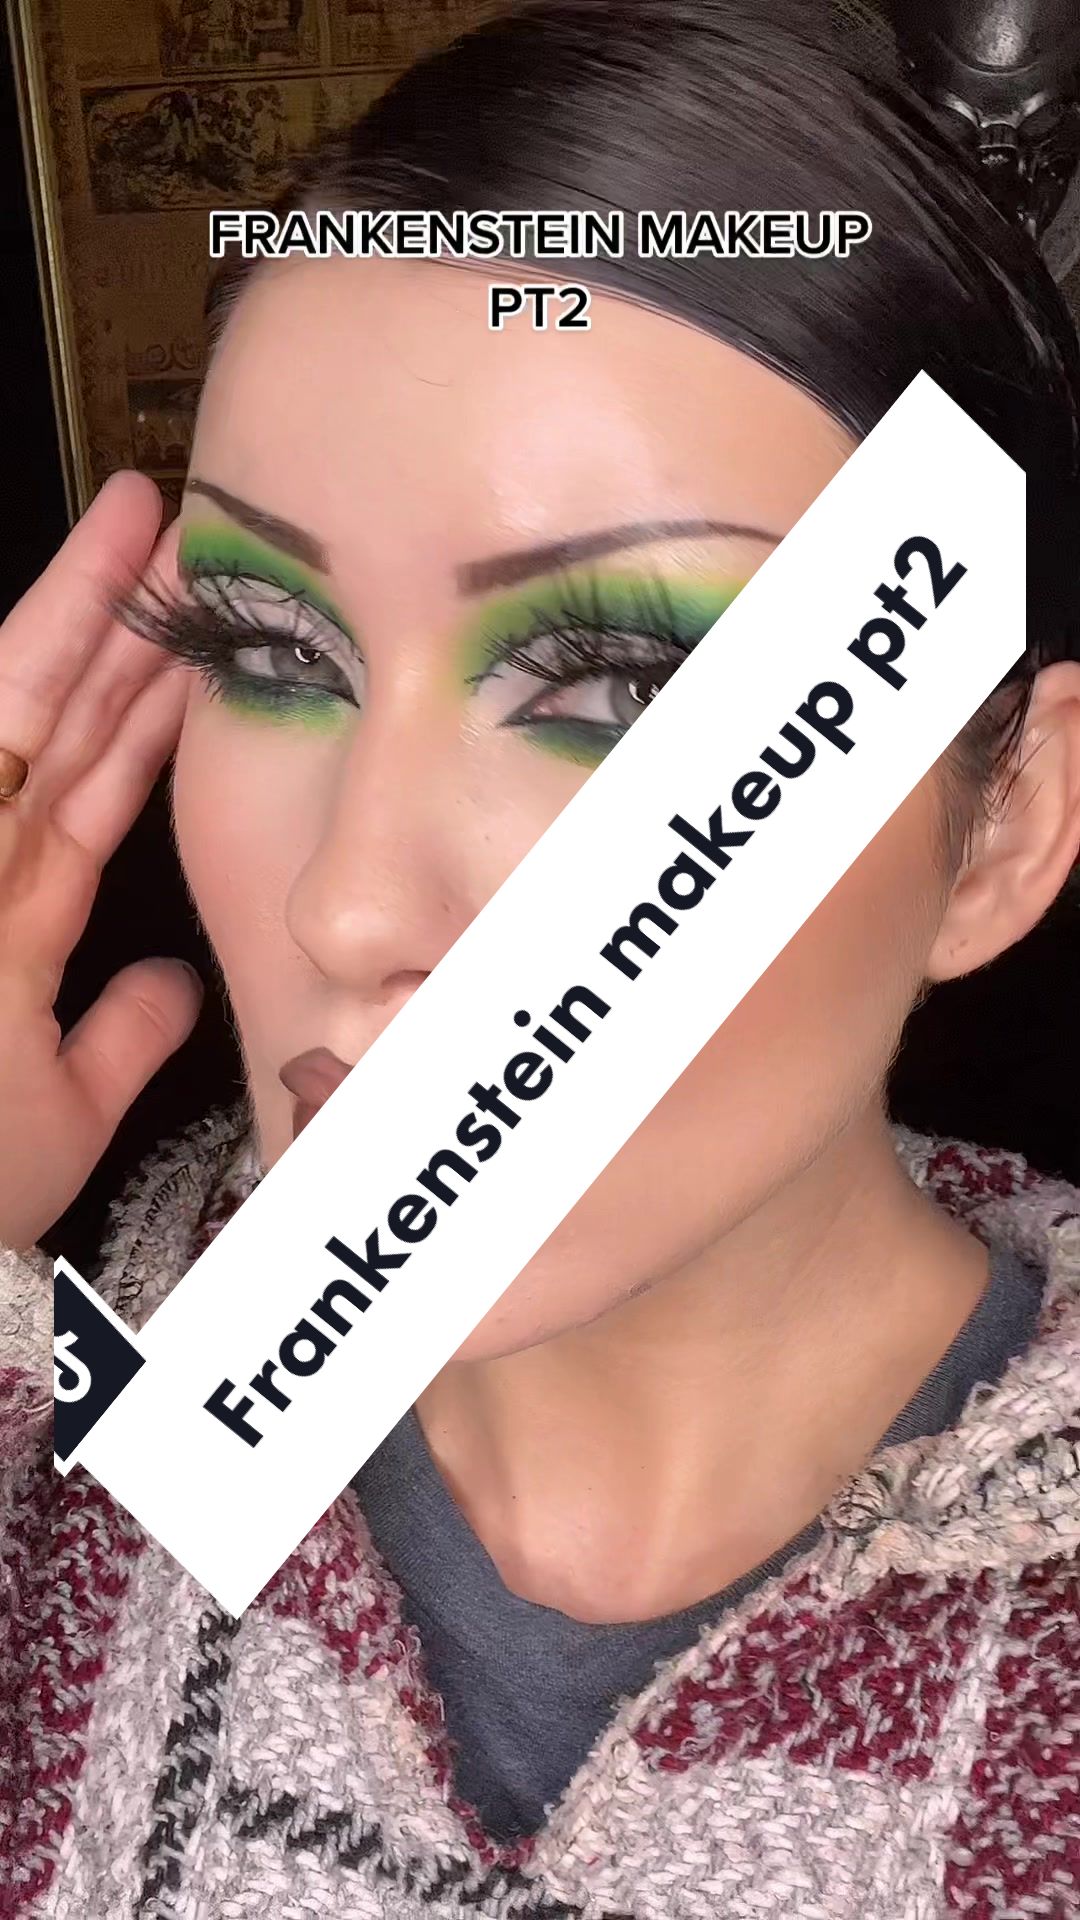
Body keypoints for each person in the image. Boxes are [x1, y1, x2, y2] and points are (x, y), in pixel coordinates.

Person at [3, 3, 1080, 1913]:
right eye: (273, 651)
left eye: (627, 688)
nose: (346, 906)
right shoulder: (60, 1442)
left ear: (997, 826)